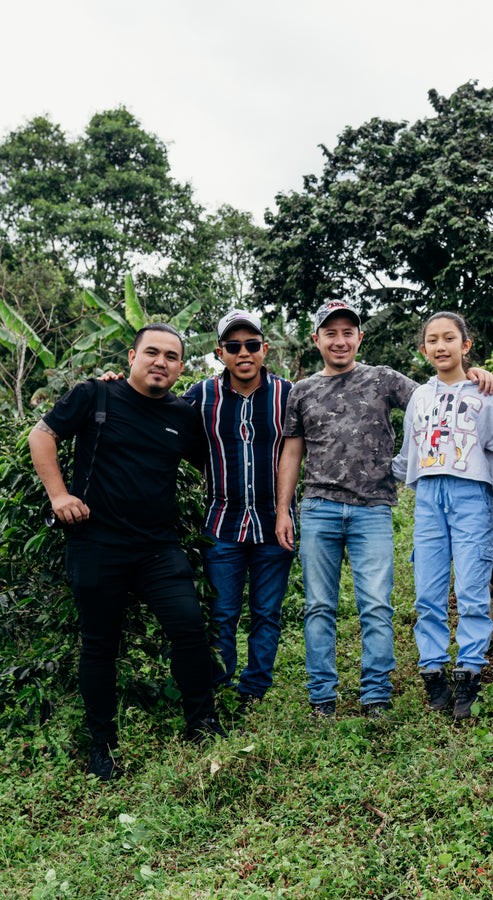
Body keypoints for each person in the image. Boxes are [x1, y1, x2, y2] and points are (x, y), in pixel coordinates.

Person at [275, 300, 493, 719]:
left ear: (360, 337)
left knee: (377, 606)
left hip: (374, 508)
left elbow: (441, 397)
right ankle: (322, 695)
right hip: (318, 507)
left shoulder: (383, 380)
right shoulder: (300, 391)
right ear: (316, 339)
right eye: (330, 333)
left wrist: (475, 374)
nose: (339, 341)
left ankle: (376, 694)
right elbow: (291, 451)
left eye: (348, 333)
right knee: (318, 606)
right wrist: (284, 509)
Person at [28, 324, 223, 781]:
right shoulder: (95, 395)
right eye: (151, 353)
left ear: (180, 367)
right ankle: (103, 746)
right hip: (97, 543)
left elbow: (214, 462)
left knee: (190, 630)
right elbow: (42, 435)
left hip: (158, 546)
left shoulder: (184, 413)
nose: (161, 362)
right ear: (132, 356)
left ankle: (203, 724)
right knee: (99, 646)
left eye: (171, 357)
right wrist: (59, 496)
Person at [392, 312, 493, 720]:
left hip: (471, 492)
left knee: (473, 585)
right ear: (424, 350)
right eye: (433, 340)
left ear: (465, 345)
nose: (441, 347)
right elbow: (407, 453)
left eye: (449, 339)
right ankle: (433, 669)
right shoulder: (419, 398)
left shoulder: (486, 391)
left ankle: (470, 671)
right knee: (428, 587)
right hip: (428, 495)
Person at [182, 310, 295, 714]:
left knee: (267, 613)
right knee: (222, 614)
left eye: (251, 345)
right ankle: (222, 688)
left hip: (275, 523)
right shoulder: (200, 395)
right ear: (220, 353)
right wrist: (113, 387)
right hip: (222, 524)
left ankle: (254, 691)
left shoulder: (288, 394)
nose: (243, 352)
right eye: (233, 346)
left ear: (265, 349)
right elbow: (153, 412)